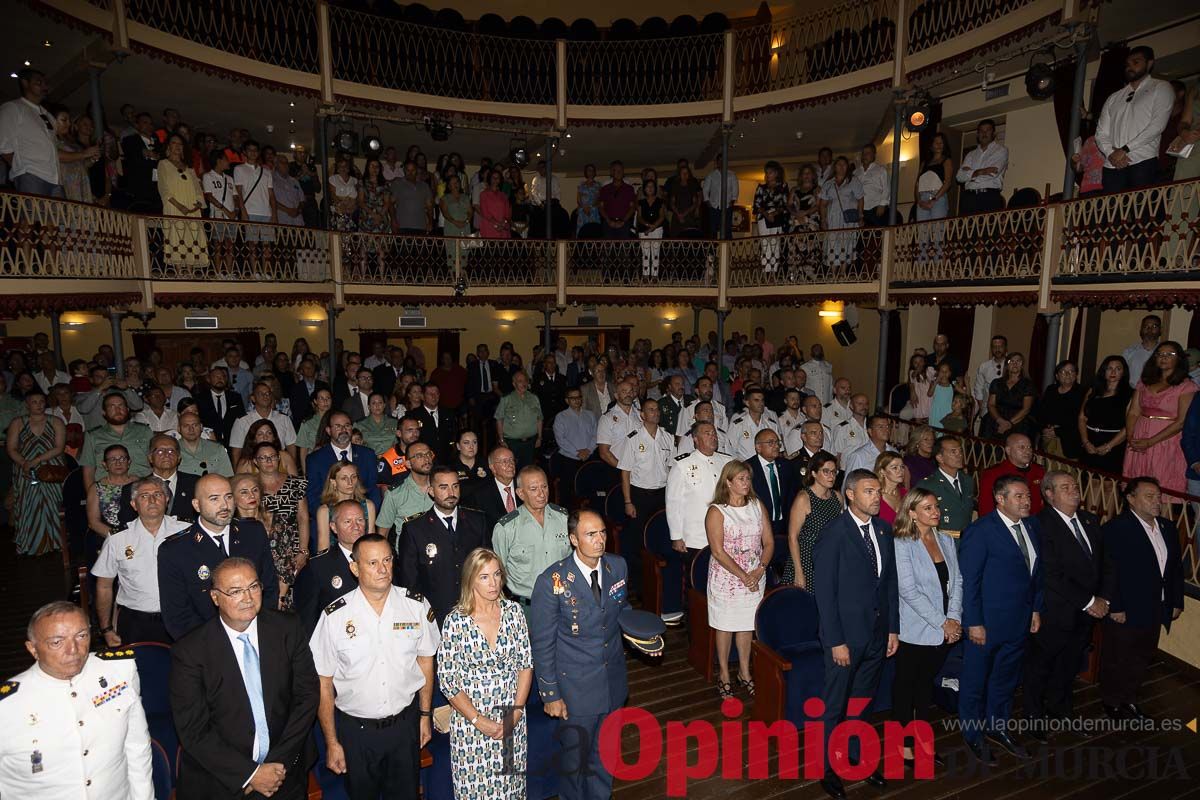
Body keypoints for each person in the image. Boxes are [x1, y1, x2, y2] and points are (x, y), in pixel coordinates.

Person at [169, 558, 318, 800]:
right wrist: (251, 775)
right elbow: (194, 730)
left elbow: (307, 696)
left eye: (253, 587)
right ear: (215, 597)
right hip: (222, 781)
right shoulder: (190, 652)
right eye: (235, 591)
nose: (248, 598)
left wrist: (276, 766)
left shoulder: (287, 628)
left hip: (285, 771)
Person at [311, 534, 438, 800]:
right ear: (354, 568)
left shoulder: (415, 606)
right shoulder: (335, 617)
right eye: (372, 563)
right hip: (357, 733)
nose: (383, 569)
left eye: (387, 560)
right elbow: (323, 682)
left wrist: (425, 716)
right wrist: (332, 743)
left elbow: (426, 659)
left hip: (404, 727)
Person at [0, 601, 152, 798]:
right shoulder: (8, 705)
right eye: (57, 642)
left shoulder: (119, 670)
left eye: (81, 636)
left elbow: (137, 748)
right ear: (33, 649)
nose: (73, 650)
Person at [529, 509, 630, 800]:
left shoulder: (618, 567)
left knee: (605, 755)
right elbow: (543, 643)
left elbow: (620, 612)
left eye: (602, 533)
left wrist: (641, 636)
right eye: (590, 534)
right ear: (573, 539)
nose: (599, 540)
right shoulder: (552, 581)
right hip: (575, 689)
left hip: (612, 681)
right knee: (574, 763)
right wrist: (550, 695)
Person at [812, 469, 898, 799]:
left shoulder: (883, 529)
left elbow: (889, 583)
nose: (877, 496)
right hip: (845, 638)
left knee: (861, 701)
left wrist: (892, 628)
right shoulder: (834, 533)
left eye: (878, 490)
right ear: (850, 494)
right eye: (868, 491)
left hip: (876, 634)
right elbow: (824, 593)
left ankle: (854, 755)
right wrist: (835, 640)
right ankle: (826, 767)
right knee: (834, 705)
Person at [958, 475, 1043, 764]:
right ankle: (972, 733)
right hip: (986, 623)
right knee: (974, 680)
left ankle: (998, 726)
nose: (1026, 501)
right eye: (1018, 496)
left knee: (1005, 680)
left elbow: (1034, 576)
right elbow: (969, 581)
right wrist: (973, 622)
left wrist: (1035, 610)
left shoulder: (1031, 526)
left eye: (1027, 496)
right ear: (1000, 499)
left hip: (1019, 620)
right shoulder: (981, 531)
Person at [438, 549, 533, 799]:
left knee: (511, 790)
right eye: (484, 577)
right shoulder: (455, 622)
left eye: (497, 574)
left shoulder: (514, 613)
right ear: (470, 579)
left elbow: (525, 665)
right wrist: (478, 720)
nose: (493, 583)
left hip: (510, 718)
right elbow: (448, 682)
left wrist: (515, 712)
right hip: (471, 725)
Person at [1025, 471, 1105, 734]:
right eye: (1065, 487)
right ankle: (1033, 717)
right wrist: (1089, 600)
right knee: (1041, 665)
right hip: (1056, 610)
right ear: (1049, 494)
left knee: (1070, 663)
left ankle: (1060, 708)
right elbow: (1051, 573)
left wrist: (1103, 598)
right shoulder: (1040, 525)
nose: (1074, 490)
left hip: (1086, 612)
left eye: (1075, 485)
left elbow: (1104, 564)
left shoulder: (1090, 521)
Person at [1098, 477, 1184, 720]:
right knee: (1118, 656)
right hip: (1125, 607)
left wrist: (1176, 600)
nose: (1156, 501)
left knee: (1142, 656)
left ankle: (1130, 699)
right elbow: (1108, 570)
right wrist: (1115, 605)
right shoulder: (1117, 528)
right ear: (1131, 499)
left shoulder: (1168, 527)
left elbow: (1175, 569)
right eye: (1149, 496)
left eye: (1158, 496)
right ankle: (1112, 701)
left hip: (1156, 606)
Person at [158, 474, 280, 640]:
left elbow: (270, 587)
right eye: (214, 499)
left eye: (229, 497)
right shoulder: (175, 550)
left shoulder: (253, 532)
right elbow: (177, 615)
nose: (224, 505)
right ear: (197, 505)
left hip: (257, 634)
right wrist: (218, 645)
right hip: (206, 644)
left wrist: (260, 632)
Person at [891, 488, 961, 767]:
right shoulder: (902, 543)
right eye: (928, 508)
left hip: (945, 628)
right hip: (914, 628)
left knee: (924, 689)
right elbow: (908, 590)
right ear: (912, 513)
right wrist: (943, 621)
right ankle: (904, 746)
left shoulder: (946, 540)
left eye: (936, 507)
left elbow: (958, 583)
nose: (935, 512)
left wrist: (953, 619)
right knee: (905, 689)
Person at [94, 475, 190, 646]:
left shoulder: (187, 531)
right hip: (135, 622)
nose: (152, 500)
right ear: (134, 504)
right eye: (144, 496)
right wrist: (106, 629)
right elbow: (104, 585)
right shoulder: (118, 538)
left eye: (158, 494)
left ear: (167, 500)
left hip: (181, 618)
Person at [706, 461, 773, 700]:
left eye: (748, 479)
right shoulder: (717, 511)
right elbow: (718, 551)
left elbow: (769, 542)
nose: (747, 483)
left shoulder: (756, 505)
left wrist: (760, 569)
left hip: (755, 576)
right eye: (741, 479)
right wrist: (744, 576)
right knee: (725, 626)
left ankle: (744, 672)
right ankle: (724, 674)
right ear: (728, 482)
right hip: (727, 579)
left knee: (746, 625)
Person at [398, 466, 491, 625]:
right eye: (443, 487)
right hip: (435, 616)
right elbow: (409, 582)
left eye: (455, 486)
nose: (451, 493)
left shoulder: (477, 521)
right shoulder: (415, 529)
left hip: (475, 611)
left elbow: (488, 568)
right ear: (431, 491)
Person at [1094, 46, 1176, 192]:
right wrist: (1111, 153)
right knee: (1111, 213)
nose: (1130, 67)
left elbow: (1157, 125)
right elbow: (1101, 133)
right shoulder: (1114, 97)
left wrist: (1125, 149)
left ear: (1150, 64)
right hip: (1112, 165)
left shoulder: (1161, 87)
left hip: (1142, 160)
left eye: (1136, 62)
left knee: (1144, 211)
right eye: (1127, 64)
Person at [1123, 340, 1197, 499]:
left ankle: (1162, 523)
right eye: (1160, 354)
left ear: (1179, 359)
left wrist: (1151, 441)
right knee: (1137, 487)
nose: (1163, 357)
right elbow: (1134, 411)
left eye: (1169, 354)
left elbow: (1182, 421)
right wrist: (1130, 437)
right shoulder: (1145, 381)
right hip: (1139, 437)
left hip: (1166, 440)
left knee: (1161, 489)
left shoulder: (1186, 385)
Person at [492, 465, 571, 611]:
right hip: (526, 606)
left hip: (563, 601)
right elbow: (498, 572)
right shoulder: (507, 528)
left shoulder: (563, 518)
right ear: (521, 493)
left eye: (544, 487)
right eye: (534, 489)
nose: (541, 494)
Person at [615, 396, 674, 595]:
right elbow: (625, 472)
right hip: (640, 494)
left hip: (661, 494)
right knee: (637, 540)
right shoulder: (634, 438)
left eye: (657, 409)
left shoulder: (667, 437)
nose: (655, 413)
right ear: (642, 415)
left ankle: (657, 584)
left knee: (659, 539)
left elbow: (672, 468)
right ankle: (637, 584)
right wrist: (627, 501)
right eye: (650, 409)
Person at [248, 441, 309, 609]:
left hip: (291, 550)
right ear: (255, 461)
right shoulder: (250, 486)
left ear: (279, 459)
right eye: (263, 457)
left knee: (291, 604)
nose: (269, 461)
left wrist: (303, 550)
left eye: (273, 457)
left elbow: (303, 517)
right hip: (261, 549)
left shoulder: (295, 483)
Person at [7, 389, 66, 556]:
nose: (39, 405)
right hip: (25, 470)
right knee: (28, 505)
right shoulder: (18, 422)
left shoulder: (56, 421)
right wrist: (25, 464)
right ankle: (32, 544)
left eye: (41, 401)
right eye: (34, 402)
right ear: (27, 404)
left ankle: (58, 542)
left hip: (51, 469)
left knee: (54, 504)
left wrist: (35, 461)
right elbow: (11, 448)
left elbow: (59, 448)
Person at [294, 499, 365, 634]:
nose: (356, 526)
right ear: (333, 527)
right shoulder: (318, 567)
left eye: (360, 520)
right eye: (348, 522)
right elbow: (307, 619)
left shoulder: (379, 559)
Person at [304, 411, 382, 516]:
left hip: (363, 515)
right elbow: (313, 497)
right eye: (338, 426)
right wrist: (333, 518)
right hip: (329, 519)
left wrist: (365, 516)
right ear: (328, 430)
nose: (343, 430)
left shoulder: (367, 454)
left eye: (347, 425)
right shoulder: (315, 459)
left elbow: (374, 490)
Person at [783, 452, 842, 590]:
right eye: (826, 471)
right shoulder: (804, 498)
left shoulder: (837, 497)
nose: (831, 476)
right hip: (806, 560)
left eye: (834, 472)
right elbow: (792, 537)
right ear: (814, 473)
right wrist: (798, 571)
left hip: (830, 559)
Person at [0, 69, 62, 197]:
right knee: (34, 216)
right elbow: (3, 145)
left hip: (55, 178)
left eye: (45, 83)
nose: (44, 86)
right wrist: (24, 167)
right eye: (39, 82)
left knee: (59, 216)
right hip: (31, 176)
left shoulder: (48, 115)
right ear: (25, 83)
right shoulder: (13, 108)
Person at [116, 433, 198, 524]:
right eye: (160, 451)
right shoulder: (132, 489)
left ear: (179, 457)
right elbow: (127, 523)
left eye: (171, 451)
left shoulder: (196, 484)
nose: (166, 455)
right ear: (150, 458)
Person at [157, 133, 208, 270]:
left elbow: (198, 189)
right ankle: (179, 272)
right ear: (168, 146)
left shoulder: (189, 168)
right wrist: (180, 206)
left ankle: (190, 272)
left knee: (192, 237)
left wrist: (198, 203)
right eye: (174, 143)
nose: (178, 146)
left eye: (180, 144)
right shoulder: (163, 164)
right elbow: (163, 189)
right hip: (175, 207)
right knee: (177, 237)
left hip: (192, 209)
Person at [1078, 355, 1133, 475]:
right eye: (1109, 368)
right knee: (1090, 482)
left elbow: (1129, 426)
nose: (1113, 372)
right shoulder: (1093, 390)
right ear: (1104, 371)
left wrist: (1109, 446)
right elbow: (1082, 417)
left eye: (1118, 369)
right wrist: (1085, 441)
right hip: (1090, 440)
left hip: (1115, 443)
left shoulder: (1129, 394)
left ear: (1123, 372)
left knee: (1109, 485)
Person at [915, 435, 976, 536]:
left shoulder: (967, 481)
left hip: (968, 540)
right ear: (940, 457)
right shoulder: (928, 485)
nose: (959, 455)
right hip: (942, 542)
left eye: (960, 451)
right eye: (953, 452)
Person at [376, 441, 435, 539]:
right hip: (409, 551)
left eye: (428, 454)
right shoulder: (395, 494)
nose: (426, 458)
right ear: (408, 464)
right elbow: (383, 533)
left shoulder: (442, 488)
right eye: (419, 456)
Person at [978, 433, 1045, 517]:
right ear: (1008, 450)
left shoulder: (1038, 471)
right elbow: (986, 507)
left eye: (1029, 447)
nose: (1027, 451)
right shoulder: (994, 473)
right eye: (1022, 447)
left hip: (1035, 522)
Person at [552, 387, 597, 509]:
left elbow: (595, 435)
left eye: (579, 397)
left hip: (588, 458)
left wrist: (588, 450)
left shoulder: (590, 415)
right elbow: (561, 439)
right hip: (568, 459)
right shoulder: (561, 417)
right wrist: (577, 453)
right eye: (573, 398)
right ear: (567, 400)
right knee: (567, 495)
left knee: (589, 492)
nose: (577, 400)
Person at [819, 156, 864, 271]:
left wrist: (860, 216)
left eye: (844, 164)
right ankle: (833, 272)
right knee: (833, 243)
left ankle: (843, 272)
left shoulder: (854, 181)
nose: (842, 167)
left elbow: (860, 199)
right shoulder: (828, 183)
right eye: (839, 164)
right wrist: (823, 220)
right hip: (833, 218)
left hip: (848, 218)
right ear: (835, 167)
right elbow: (823, 204)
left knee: (846, 243)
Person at [462, 446, 521, 532]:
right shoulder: (480, 495)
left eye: (512, 460)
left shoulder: (524, 486)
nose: (510, 464)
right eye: (504, 461)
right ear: (492, 468)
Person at [956, 119, 1008, 214]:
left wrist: (970, 174)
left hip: (989, 197)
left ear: (993, 133)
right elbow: (959, 177)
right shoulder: (971, 154)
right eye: (981, 131)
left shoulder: (1001, 150)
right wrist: (980, 172)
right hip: (969, 198)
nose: (984, 133)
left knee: (988, 228)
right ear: (977, 134)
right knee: (967, 228)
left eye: (988, 130)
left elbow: (992, 173)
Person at [87, 444, 138, 539]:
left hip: (138, 535)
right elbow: (93, 522)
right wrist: (118, 537)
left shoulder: (140, 484)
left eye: (122, 459)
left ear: (129, 462)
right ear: (105, 464)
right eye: (112, 459)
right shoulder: (96, 488)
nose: (118, 463)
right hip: (108, 537)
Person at [981, 352, 1035, 440]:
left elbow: (1026, 409)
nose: (1015, 363)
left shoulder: (1028, 384)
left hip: (1017, 420)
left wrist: (1009, 423)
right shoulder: (996, 382)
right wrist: (1000, 420)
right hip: (996, 418)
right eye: (1011, 361)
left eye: (1018, 361)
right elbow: (991, 405)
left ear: (1022, 365)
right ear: (1007, 365)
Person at [495, 371, 542, 471]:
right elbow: (499, 419)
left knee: (528, 470)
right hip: (512, 443)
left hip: (530, 442)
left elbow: (539, 419)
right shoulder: (506, 399)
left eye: (525, 380)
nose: (523, 383)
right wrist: (501, 439)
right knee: (511, 469)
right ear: (514, 384)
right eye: (520, 381)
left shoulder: (534, 398)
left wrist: (540, 437)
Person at [1039, 360, 1085, 459]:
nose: (1068, 374)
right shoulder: (1051, 390)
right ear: (1057, 376)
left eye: (1071, 371)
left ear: (1076, 375)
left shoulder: (1082, 393)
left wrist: (1057, 431)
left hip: (1070, 442)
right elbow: (1041, 412)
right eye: (1063, 371)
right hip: (1048, 438)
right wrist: (1045, 428)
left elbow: (1078, 420)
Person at [727, 387, 782, 460]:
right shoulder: (738, 425)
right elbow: (729, 450)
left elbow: (778, 449)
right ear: (747, 403)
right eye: (756, 400)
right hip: (745, 465)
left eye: (762, 400)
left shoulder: (771, 424)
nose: (761, 403)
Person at [841, 413, 897, 485]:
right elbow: (848, 484)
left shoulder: (894, 453)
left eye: (888, 426)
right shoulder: (859, 456)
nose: (886, 430)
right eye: (881, 427)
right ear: (870, 431)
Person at [176, 410, 235, 477]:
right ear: (178, 429)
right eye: (186, 426)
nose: (191, 429)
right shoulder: (173, 450)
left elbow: (228, 477)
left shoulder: (217, 449)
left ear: (201, 427)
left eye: (195, 425)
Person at [914, 132, 954, 221]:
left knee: (937, 230)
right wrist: (919, 201)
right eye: (936, 142)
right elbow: (917, 184)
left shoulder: (947, 161)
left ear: (944, 145)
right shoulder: (924, 163)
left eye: (941, 142)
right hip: (922, 198)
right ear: (931, 145)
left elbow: (948, 183)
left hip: (938, 197)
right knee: (922, 231)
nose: (939, 145)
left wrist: (934, 199)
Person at [703, 151, 738, 238]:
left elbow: (735, 189)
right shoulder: (711, 175)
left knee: (727, 229)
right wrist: (708, 202)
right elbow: (705, 189)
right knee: (712, 230)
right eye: (720, 161)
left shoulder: (732, 175)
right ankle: (713, 250)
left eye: (724, 161)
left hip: (727, 207)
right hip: (714, 206)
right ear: (717, 162)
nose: (722, 163)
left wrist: (732, 201)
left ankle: (727, 250)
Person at [1121, 315, 1162, 388]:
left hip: (1157, 394)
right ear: (1141, 330)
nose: (1150, 329)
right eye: (1146, 326)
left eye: (1154, 327)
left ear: (1160, 330)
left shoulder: (1164, 352)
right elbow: (1122, 374)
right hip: (1131, 392)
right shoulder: (1130, 351)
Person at [857, 143, 891, 226]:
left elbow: (887, 188)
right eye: (863, 153)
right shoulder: (856, 172)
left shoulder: (881, 170)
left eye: (868, 153)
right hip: (860, 210)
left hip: (876, 208)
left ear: (874, 155)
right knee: (863, 236)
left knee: (879, 234)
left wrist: (882, 205)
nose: (865, 156)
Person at [874, 451, 908, 525]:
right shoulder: (876, 496)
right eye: (894, 468)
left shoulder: (905, 493)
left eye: (902, 467)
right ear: (882, 471)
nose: (900, 471)